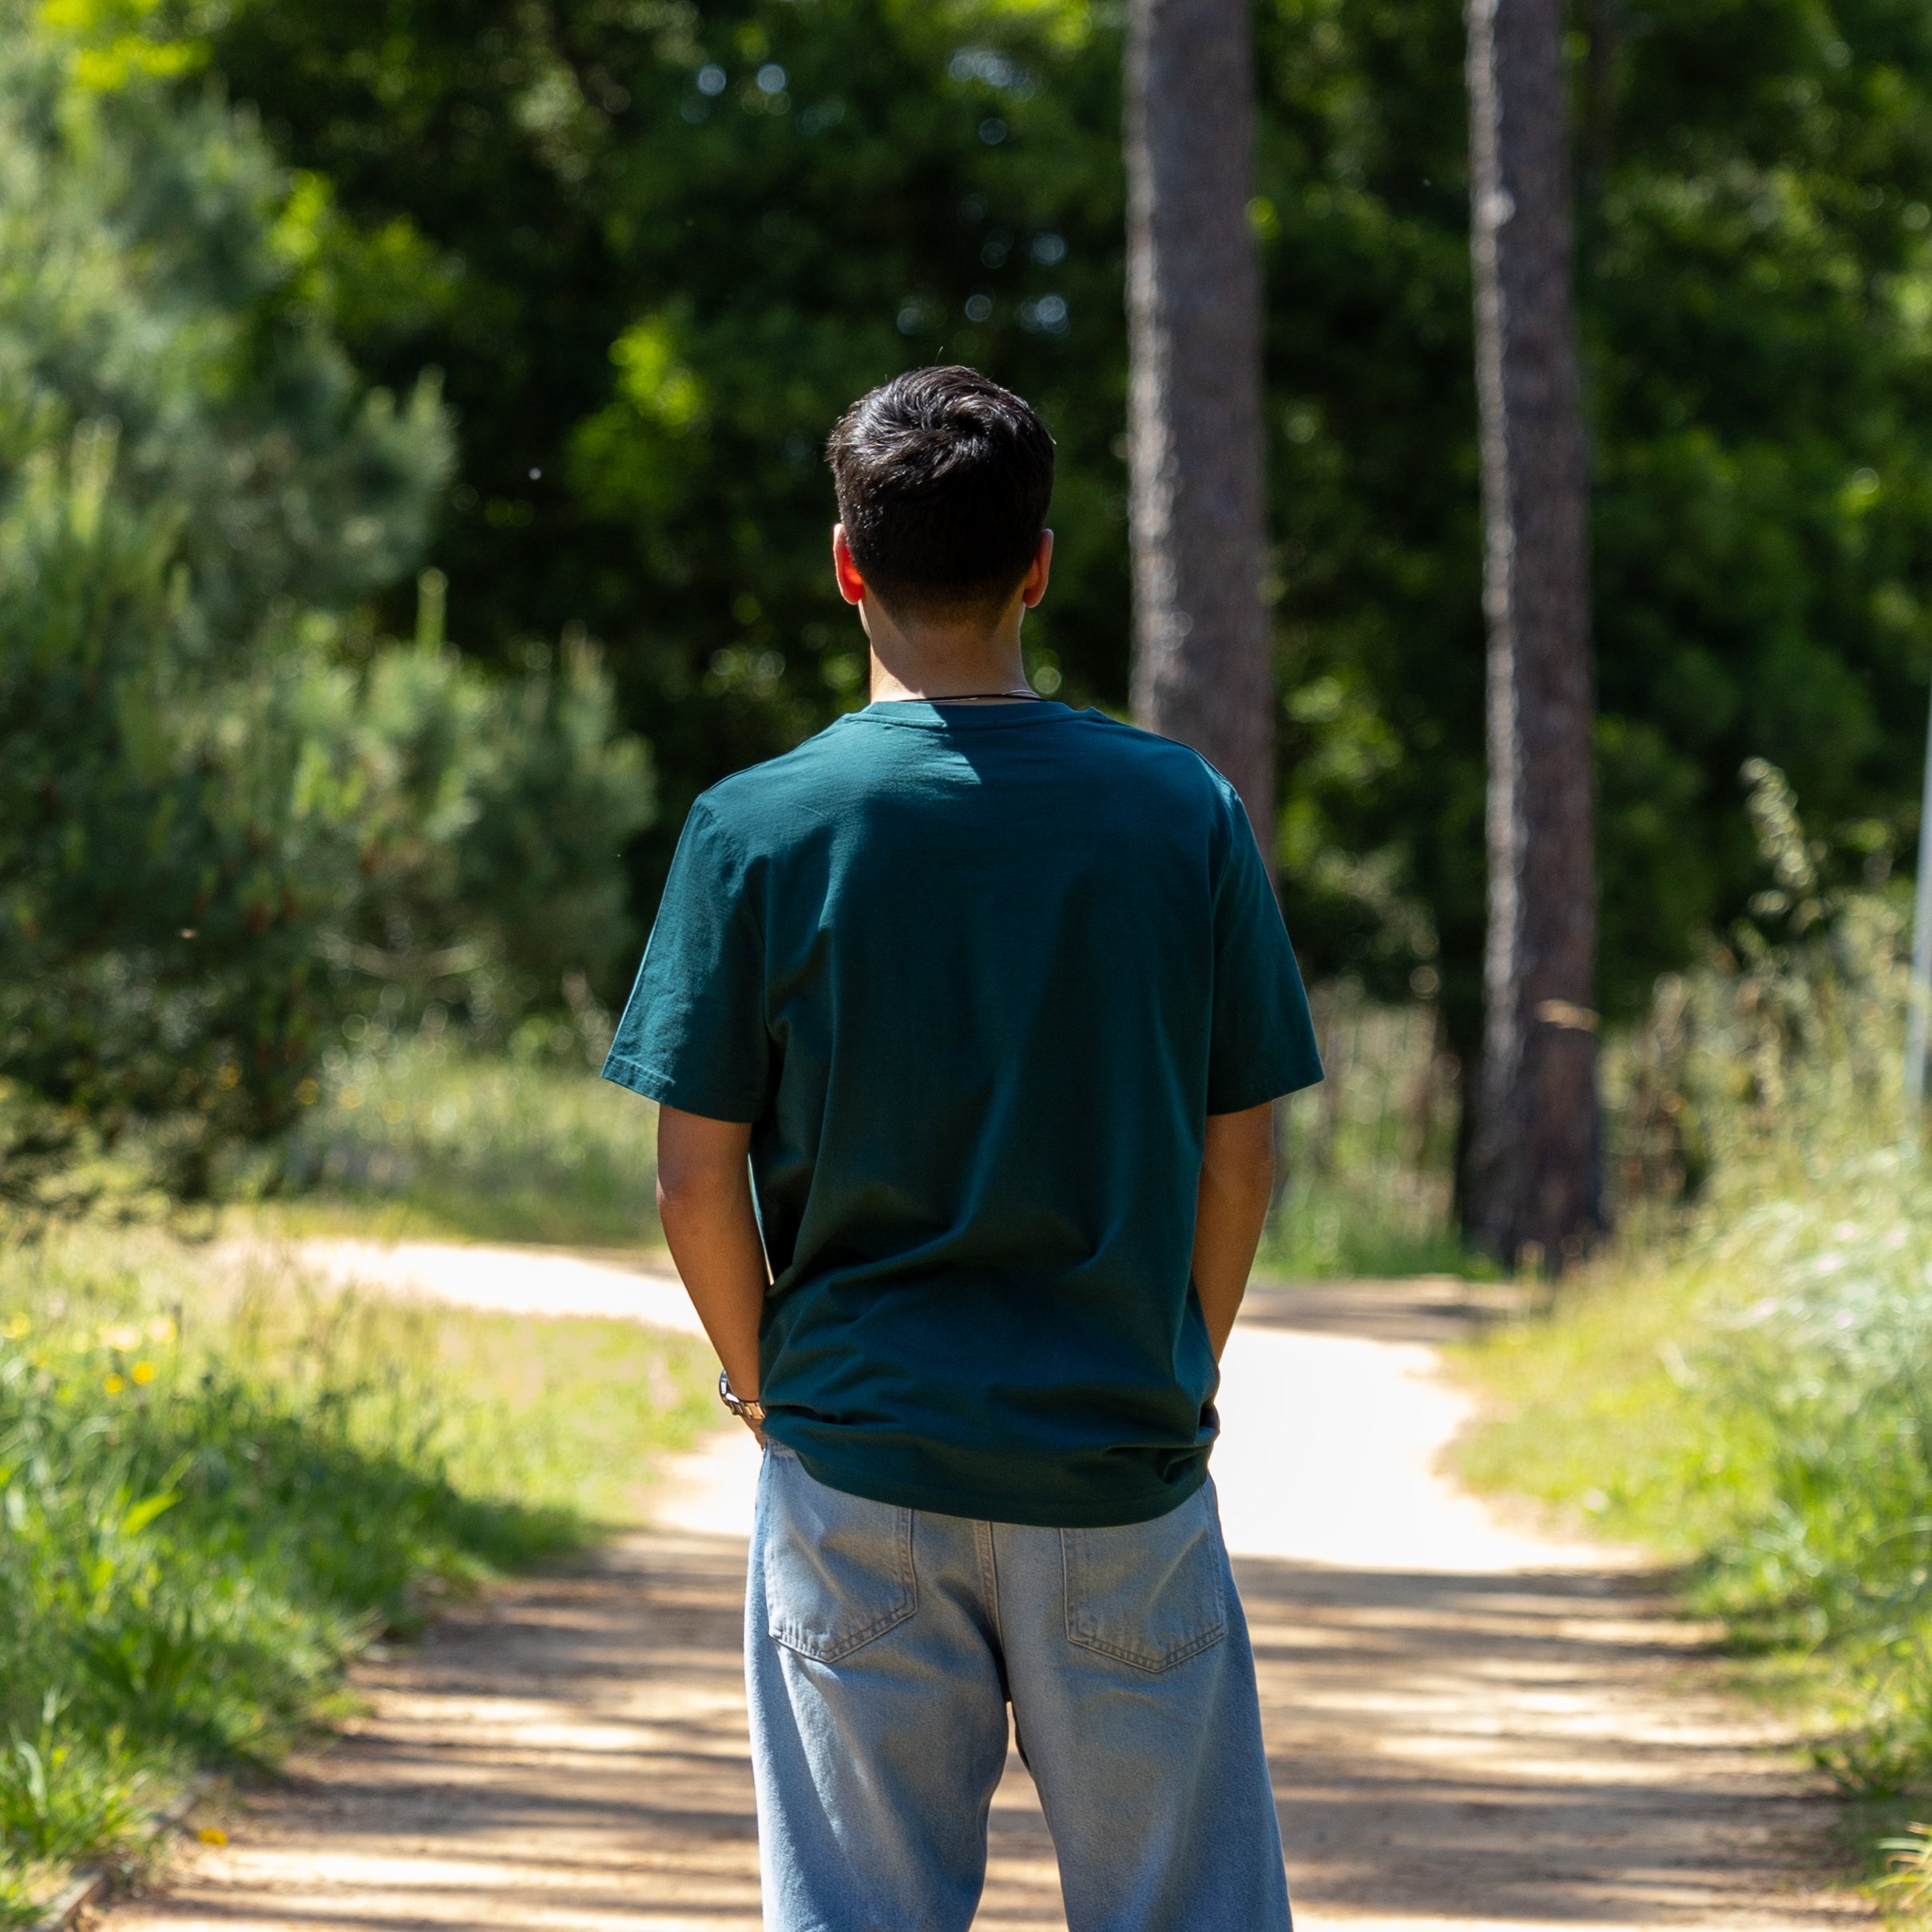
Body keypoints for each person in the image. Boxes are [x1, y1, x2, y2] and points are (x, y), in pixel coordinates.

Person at [602, 365, 1323, 1932]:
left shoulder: (757, 828)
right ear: (1040, 565)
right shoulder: (1178, 813)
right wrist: (1172, 1357)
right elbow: (1242, 1150)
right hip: (1114, 1462)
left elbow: (689, 1172)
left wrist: (763, 1376)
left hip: (858, 1453)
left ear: (846, 563)